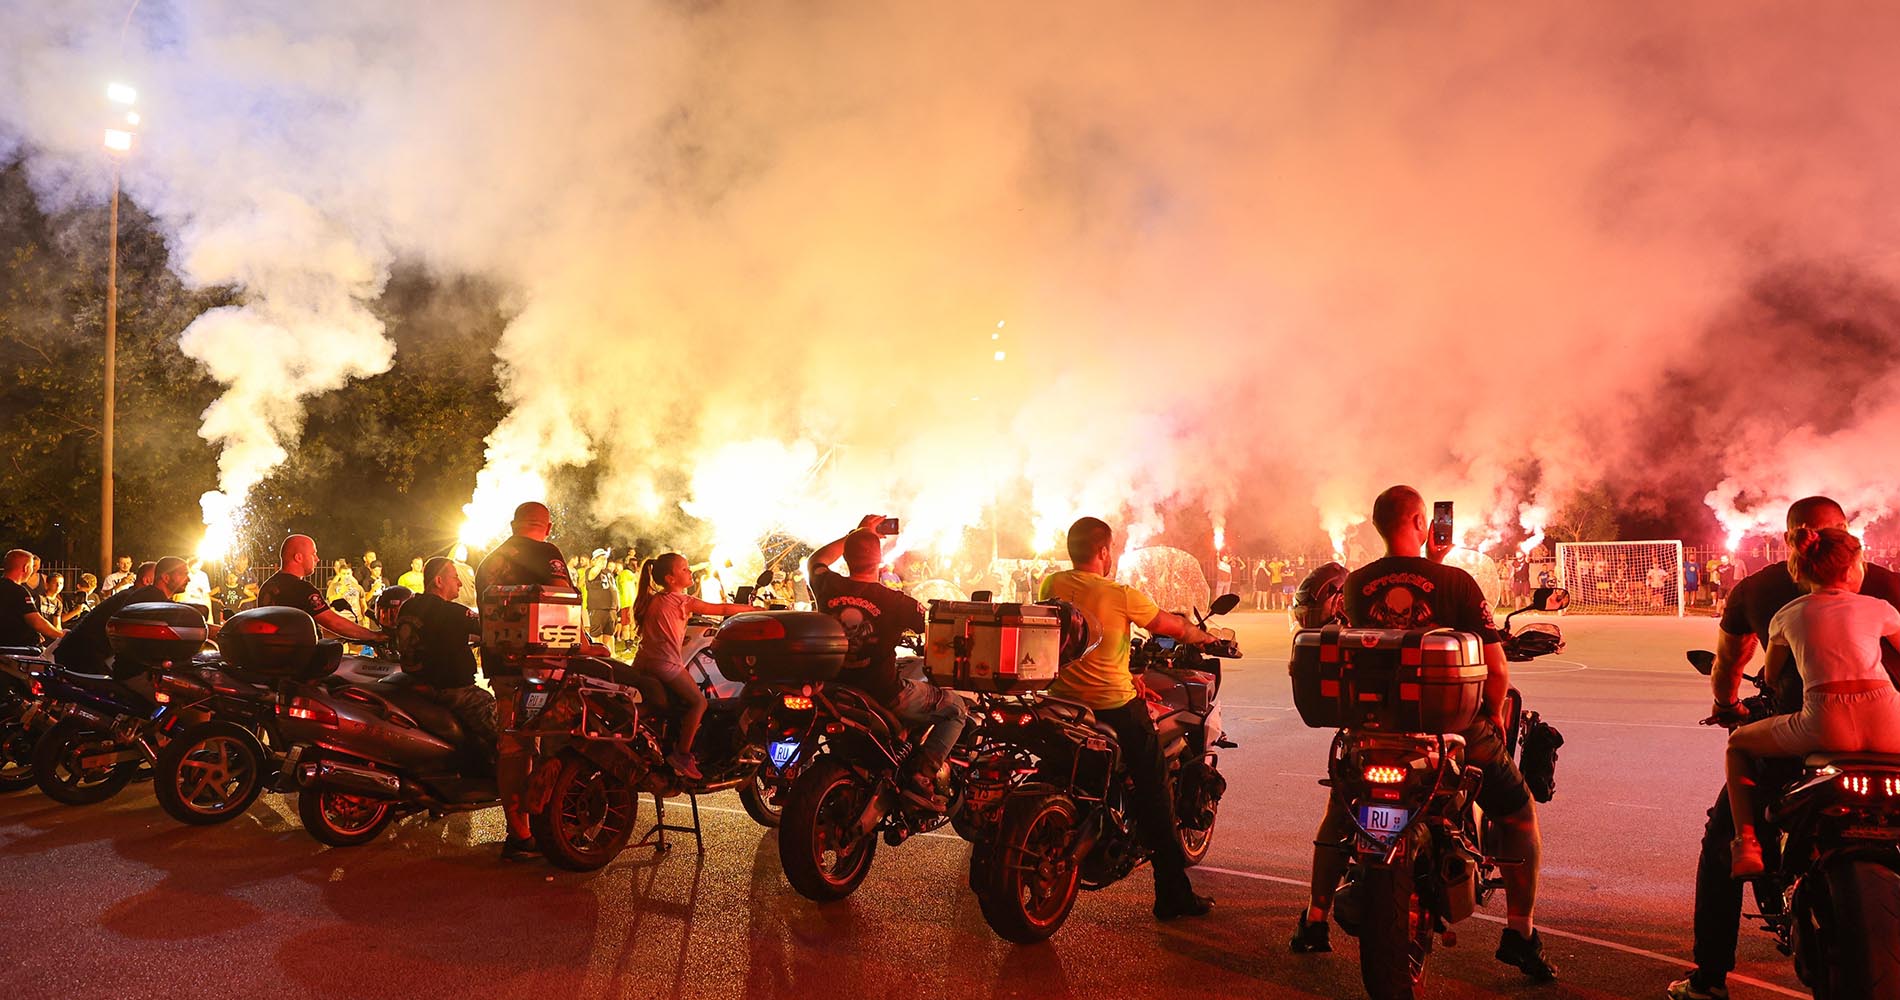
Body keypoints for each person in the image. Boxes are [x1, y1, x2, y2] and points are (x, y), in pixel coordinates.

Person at [1291, 486, 1555, 980]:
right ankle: (1520, 932)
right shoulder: (1457, 583)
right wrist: (1493, 715)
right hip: (1449, 729)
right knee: (1518, 813)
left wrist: (1431, 562)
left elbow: (1385, 636)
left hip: (1375, 728)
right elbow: (1496, 669)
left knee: (1339, 811)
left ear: (1378, 526)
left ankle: (1315, 918)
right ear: (1420, 521)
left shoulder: (1357, 584)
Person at [1669, 495, 1900, 1000]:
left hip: (1804, 740)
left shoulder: (1762, 592)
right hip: (1890, 736)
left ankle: (1710, 976)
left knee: (1721, 837)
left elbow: (1732, 667)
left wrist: (1728, 705)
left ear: (1794, 541)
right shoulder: (1887, 589)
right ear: (1850, 540)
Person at [1039, 516, 1218, 920]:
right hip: (1112, 705)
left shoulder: (1051, 584)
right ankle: (1172, 893)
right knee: (1157, 790)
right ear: (1103, 552)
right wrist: (1205, 636)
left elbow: (1083, 641)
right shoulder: (1120, 594)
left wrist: (1128, 672)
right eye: (1111, 550)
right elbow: (1172, 627)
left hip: (1061, 701)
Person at [1726, 527, 1900, 874]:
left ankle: (1747, 844)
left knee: (1737, 745)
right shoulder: (1878, 608)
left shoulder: (1787, 614)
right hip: (1888, 717)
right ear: (1851, 569)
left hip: (1824, 721)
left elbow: (1771, 676)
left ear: (1802, 569)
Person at [807, 516, 970, 810]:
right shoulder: (897, 602)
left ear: (846, 558)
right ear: (880, 560)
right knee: (956, 709)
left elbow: (817, 559)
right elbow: (938, 629)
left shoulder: (827, 585)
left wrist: (858, 532)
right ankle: (922, 775)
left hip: (833, 686)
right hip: (883, 694)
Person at [473, 502, 574, 861]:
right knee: (556, 741)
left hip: (502, 667)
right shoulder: (546, 552)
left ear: (513, 524)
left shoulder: (488, 562)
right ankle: (554, 826)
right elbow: (562, 599)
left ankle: (519, 834)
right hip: (542, 665)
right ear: (547, 527)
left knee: (513, 746)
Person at [630, 552, 752, 780]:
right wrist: (755, 611)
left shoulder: (653, 599)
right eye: (684, 569)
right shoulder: (682, 601)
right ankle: (682, 754)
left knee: (658, 704)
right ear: (670, 579)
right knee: (699, 702)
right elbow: (722, 609)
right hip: (665, 664)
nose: (690, 572)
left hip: (642, 661)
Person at [394, 558, 497, 768]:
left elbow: (437, 632)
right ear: (439, 581)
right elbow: (492, 628)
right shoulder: (453, 612)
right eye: (455, 577)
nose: (459, 583)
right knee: (507, 733)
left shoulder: (408, 607)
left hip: (414, 684)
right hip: (453, 692)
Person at [56, 556, 191, 684]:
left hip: (87, 655)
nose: (188, 579)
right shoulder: (145, 599)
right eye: (184, 573)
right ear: (162, 578)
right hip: (82, 658)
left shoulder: (139, 596)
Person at [257, 536, 385, 643]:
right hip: (301, 659)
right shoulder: (302, 589)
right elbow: (333, 622)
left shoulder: (268, 586)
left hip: (272, 657)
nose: (317, 559)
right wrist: (374, 636)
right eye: (313, 554)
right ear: (299, 557)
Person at [0, 550, 61, 648]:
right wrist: (61, 635)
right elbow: (36, 622)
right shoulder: (19, 591)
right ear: (26, 568)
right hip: (20, 649)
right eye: (32, 567)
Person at [585, 549, 620, 649]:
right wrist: (599, 564)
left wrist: (618, 602)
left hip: (611, 609)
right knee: (596, 635)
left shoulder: (608, 572)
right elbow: (592, 575)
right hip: (598, 608)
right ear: (594, 560)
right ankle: (597, 654)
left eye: (605, 559)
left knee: (609, 634)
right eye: (601, 559)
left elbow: (614, 588)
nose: (604, 561)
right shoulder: (590, 571)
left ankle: (611, 654)